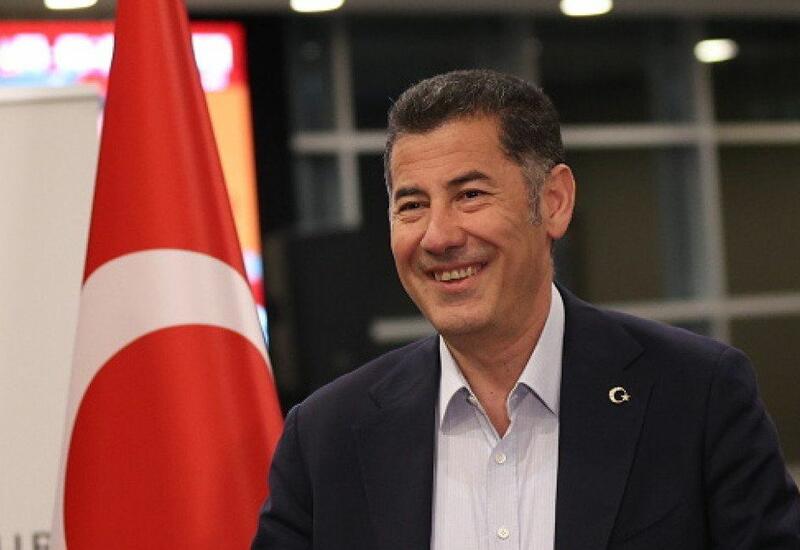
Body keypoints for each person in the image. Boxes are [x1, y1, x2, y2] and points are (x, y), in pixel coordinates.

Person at [252, 69, 800, 549]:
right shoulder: (325, 437)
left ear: (554, 202)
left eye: (470, 195)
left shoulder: (697, 394)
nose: (438, 236)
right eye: (412, 205)